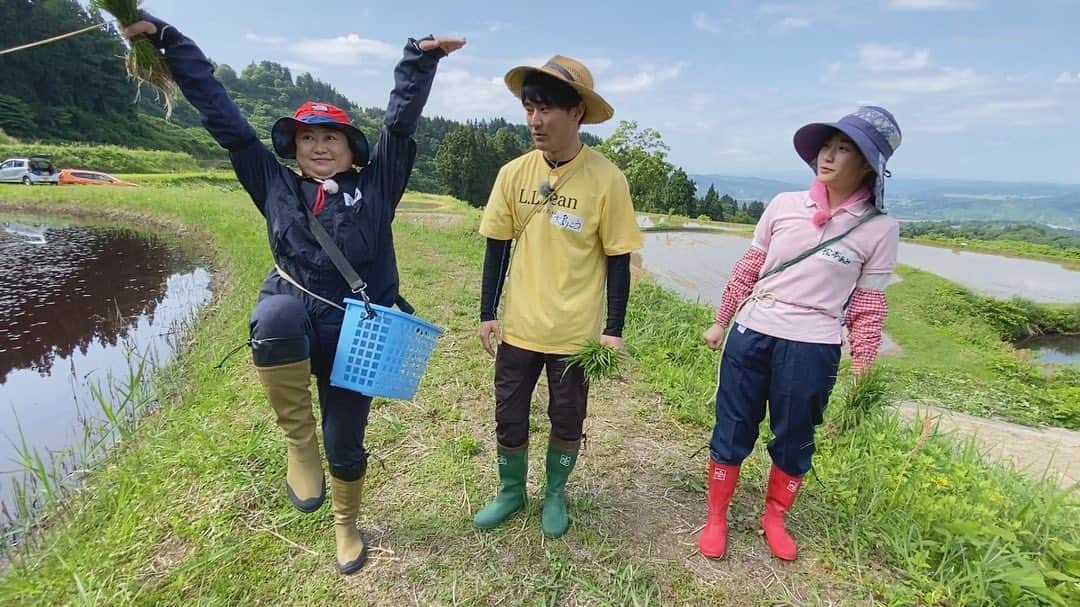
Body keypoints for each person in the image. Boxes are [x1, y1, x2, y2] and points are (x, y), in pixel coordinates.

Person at [120, 15, 463, 575]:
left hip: (360, 330)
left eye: (330, 137)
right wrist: (169, 42)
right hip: (295, 311)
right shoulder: (274, 183)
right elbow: (226, 120)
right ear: (294, 146)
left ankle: (347, 526)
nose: (320, 146)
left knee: (347, 442)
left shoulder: (378, 185)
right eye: (308, 137)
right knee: (274, 314)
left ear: (351, 148)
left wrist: (418, 60)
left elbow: (397, 129)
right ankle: (298, 447)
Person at [697, 107, 902, 561]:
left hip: (814, 345)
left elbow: (868, 306)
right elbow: (750, 268)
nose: (827, 156)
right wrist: (721, 321)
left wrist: (864, 367)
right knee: (732, 425)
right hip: (753, 332)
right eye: (825, 146)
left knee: (795, 437)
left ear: (868, 164)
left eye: (843, 149)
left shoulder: (880, 229)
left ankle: (774, 517)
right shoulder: (784, 204)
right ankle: (716, 516)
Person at [474, 56, 642, 538]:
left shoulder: (606, 179)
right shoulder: (512, 175)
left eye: (547, 109)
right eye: (529, 108)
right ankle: (510, 492)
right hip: (520, 327)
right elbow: (497, 247)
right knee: (508, 410)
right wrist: (487, 313)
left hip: (574, 333)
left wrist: (612, 330)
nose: (535, 120)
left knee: (567, 415)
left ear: (577, 115)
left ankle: (554, 493)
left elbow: (618, 260)